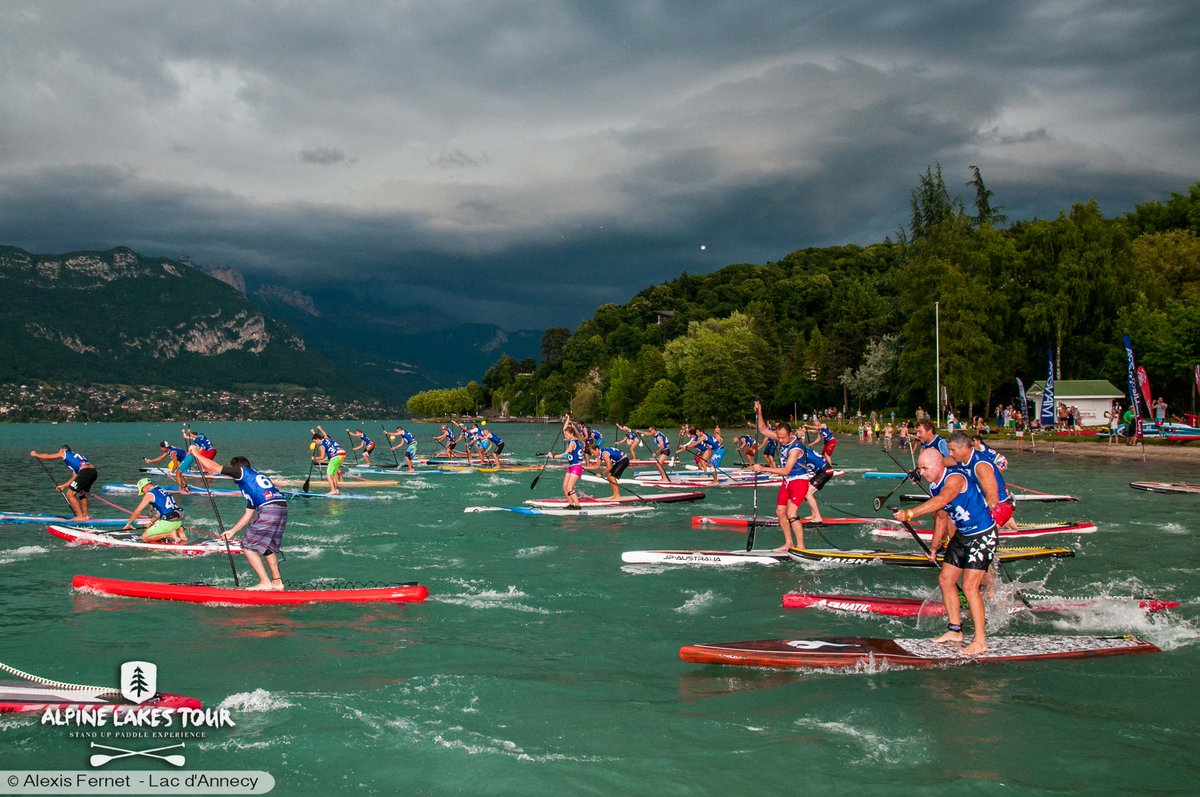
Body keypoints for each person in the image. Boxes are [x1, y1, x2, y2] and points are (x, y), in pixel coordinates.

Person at [894, 447, 998, 657]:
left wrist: (911, 512)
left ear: (939, 465)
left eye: (925, 468)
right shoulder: (934, 485)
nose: (921, 472)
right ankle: (955, 631)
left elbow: (943, 500)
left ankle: (980, 641)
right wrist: (933, 547)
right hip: (962, 535)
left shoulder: (955, 479)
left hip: (983, 535)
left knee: (969, 586)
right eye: (920, 468)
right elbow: (941, 516)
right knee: (946, 579)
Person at [192, 447, 288, 591]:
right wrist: (232, 531)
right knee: (268, 547)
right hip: (281, 507)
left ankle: (265, 582)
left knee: (247, 545)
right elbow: (248, 515)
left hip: (268, 508)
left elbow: (215, 467)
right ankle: (277, 582)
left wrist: (196, 454)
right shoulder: (253, 481)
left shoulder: (242, 471)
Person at [752, 400, 808, 551]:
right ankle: (788, 543)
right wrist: (759, 412)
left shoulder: (795, 448)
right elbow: (763, 429)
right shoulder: (782, 438)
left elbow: (786, 470)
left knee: (791, 512)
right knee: (779, 511)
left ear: (791, 434)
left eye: (783, 437)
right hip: (788, 482)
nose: (781, 440)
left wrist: (763, 469)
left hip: (799, 481)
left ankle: (801, 546)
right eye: (779, 437)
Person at [30, 445, 97, 520]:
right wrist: (64, 486)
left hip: (85, 472)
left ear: (62, 450)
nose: (59, 453)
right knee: (82, 494)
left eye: (59, 452)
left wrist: (35, 454)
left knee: (70, 494)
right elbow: (75, 477)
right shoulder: (76, 457)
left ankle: (80, 516)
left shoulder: (64, 453)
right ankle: (85, 516)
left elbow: (47, 456)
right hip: (93, 472)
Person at [123, 478, 186, 543]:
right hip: (178, 521)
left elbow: (137, 511)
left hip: (168, 523)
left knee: (144, 537)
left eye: (142, 491)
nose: (144, 493)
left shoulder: (150, 494)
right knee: (163, 523)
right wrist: (151, 522)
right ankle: (180, 532)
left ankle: (170, 534)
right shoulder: (161, 490)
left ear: (144, 487)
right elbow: (162, 510)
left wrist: (129, 524)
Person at [557, 422, 585, 509]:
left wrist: (553, 456)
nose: (565, 436)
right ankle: (571, 504)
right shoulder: (571, 440)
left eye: (566, 435)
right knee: (565, 487)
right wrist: (567, 419)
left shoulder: (573, 443)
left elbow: (565, 455)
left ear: (572, 434)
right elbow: (564, 430)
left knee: (569, 487)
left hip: (576, 467)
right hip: (571, 467)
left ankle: (577, 505)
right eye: (564, 435)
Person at [311, 426, 347, 493]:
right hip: (338, 457)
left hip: (333, 459)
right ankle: (336, 490)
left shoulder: (321, 446)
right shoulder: (326, 439)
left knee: (328, 475)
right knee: (333, 474)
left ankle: (332, 490)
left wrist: (314, 458)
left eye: (314, 441)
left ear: (317, 439)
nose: (315, 443)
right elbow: (324, 434)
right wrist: (320, 429)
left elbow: (321, 457)